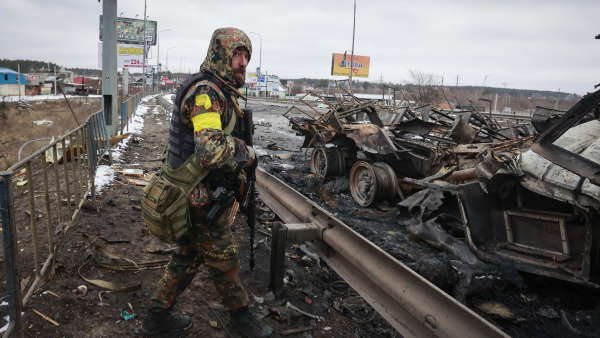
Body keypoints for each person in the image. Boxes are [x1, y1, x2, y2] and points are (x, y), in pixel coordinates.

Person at [137, 27, 273, 337]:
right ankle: (242, 319)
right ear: (219, 54)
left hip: (197, 191)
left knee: (188, 256)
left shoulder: (219, 89)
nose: (242, 62)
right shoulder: (206, 93)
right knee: (223, 258)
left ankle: (156, 318)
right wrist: (247, 152)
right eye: (236, 54)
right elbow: (211, 148)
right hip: (196, 195)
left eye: (246, 56)